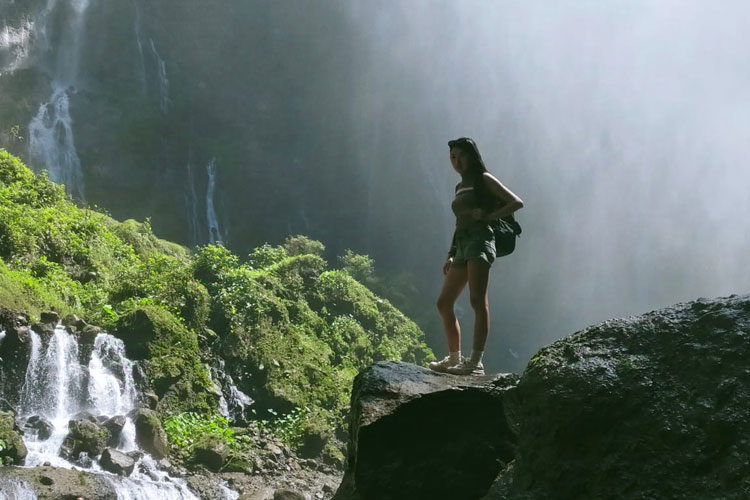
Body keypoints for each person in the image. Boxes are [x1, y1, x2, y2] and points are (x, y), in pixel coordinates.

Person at [429, 137, 524, 375]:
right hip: (462, 244)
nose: (457, 161)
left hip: (481, 240)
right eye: (452, 157)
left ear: (472, 156)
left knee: (477, 300)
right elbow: (459, 222)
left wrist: (489, 216)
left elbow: (516, 202)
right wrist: (450, 254)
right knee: (444, 302)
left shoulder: (483, 179)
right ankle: (454, 358)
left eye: (461, 155)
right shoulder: (459, 187)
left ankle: (475, 362)